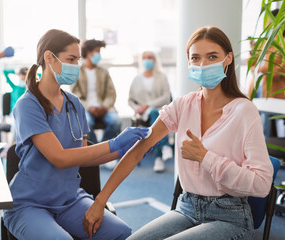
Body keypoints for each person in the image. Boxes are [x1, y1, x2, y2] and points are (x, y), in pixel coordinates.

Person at [83, 26, 274, 240]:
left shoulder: (244, 111)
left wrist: (205, 157)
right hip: (187, 207)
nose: (203, 65)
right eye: (196, 58)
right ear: (189, 62)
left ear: (228, 58)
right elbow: (139, 150)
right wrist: (99, 202)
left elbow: (262, 184)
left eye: (212, 56)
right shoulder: (183, 105)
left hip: (230, 216)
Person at [3, 29, 150, 240]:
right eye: (70, 59)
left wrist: (126, 149)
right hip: (30, 204)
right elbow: (60, 158)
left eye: (77, 60)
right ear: (49, 58)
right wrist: (115, 142)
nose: (76, 66)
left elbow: (84, 155)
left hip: (70, 200)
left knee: (121, 233)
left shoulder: (74, 104)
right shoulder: (28, 105)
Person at [70, 39, 122, 146]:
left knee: (116, 121)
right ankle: (94, 148)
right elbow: (75, 95)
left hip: (104, 108)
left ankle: (104, 148)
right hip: (85, 109)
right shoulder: (77, 72)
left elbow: (111, 93)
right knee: (86, 123)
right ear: (88, 52)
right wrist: (89, 107)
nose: (99, 54)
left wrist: (104, 107)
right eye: (97, 51)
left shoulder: (104, 72)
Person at [129, 51, 172, 172]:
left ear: (155, 60)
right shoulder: (137, 79)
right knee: (155, 115)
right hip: (142, 114)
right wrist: (136, 108)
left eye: (150, 58)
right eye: (145, 58)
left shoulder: (162, 77)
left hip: (158, 111)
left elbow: (166, 97)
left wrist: (148, 105)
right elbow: (130, 100)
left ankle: (159, 158)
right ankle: (165, 146)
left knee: (155, 114)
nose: (147, 60)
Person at [247, 9, 285, 137]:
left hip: (273, 93)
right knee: (256, 123)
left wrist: (258, 69)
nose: (268, 25)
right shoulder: (263, 43)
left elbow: (277, 71)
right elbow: (251, 65)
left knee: (268, 128)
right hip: (257, 89)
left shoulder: (282, 44)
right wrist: (252, 50)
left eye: (270, 22)